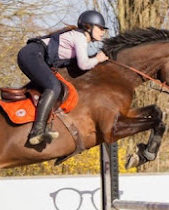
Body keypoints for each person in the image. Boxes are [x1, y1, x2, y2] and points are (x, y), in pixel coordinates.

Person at [17, 10, 109, 145]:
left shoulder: (80, 38)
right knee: (53, 86)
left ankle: (46, 126)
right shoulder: (80, 37)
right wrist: (97, 58)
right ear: (89, 27)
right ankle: (37, 130)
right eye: (100, 28)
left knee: (56, 86)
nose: (103, 32)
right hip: (32, 53)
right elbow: (83, 64)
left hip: (35, 55)